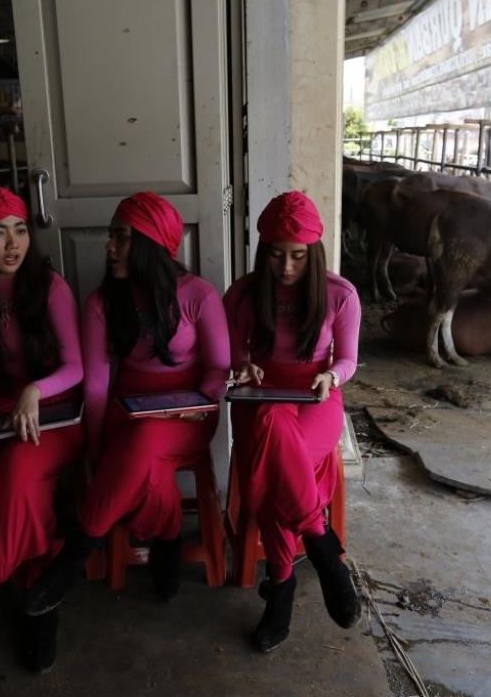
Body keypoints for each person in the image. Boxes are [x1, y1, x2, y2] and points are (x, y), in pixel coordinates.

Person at [23, 191, 230, 619]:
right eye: (110, 237)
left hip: (188, 414)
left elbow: (218, 367)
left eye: (121, 237)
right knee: (141, 452)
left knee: (147, 438)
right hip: (127, 409)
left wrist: (203, 402)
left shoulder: (198, 295)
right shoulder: (102, 302)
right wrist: (97, 448)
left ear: (151, 245)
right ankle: (168, 534)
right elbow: (97, 386)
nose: (109, 247)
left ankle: (74, 556)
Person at [0, 187, 85, 677]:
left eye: (21, 229)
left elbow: (75, 367)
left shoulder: (50, 287)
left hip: (55, 410)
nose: (13, 243)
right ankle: (35, 598)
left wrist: (35, 390)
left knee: (21, 472)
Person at [222, 191, 362, 652]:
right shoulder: (243, 293)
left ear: (314, 253)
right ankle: (322, 550)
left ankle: (280, 587)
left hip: (315, 399)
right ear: (262, 252)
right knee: (271, 433)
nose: (285, 268)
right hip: (259, 397)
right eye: (276, 256)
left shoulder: (340, 294)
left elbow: (348, 361)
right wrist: (242, 364)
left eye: (298, 257)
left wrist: (329, 375)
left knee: (272, 459)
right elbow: (231, 351)